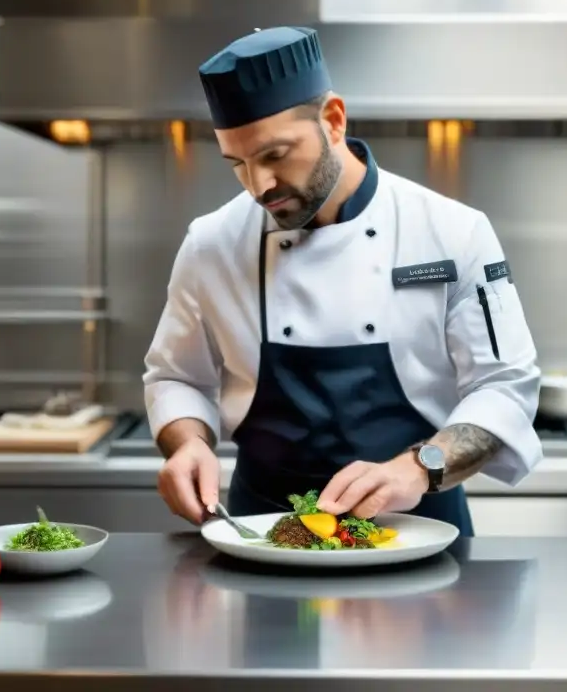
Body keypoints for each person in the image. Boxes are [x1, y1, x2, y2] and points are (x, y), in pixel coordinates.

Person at [143, 27, 542, 535]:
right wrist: (189, 444)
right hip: (263, 534)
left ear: (333, 120)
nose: (258, 186)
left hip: (417, 532)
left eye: (274, 155)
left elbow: (504, 387)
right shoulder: (211, 243)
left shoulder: (451, 231)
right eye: (237, 164)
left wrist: (419, 468)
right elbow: (177, 377)